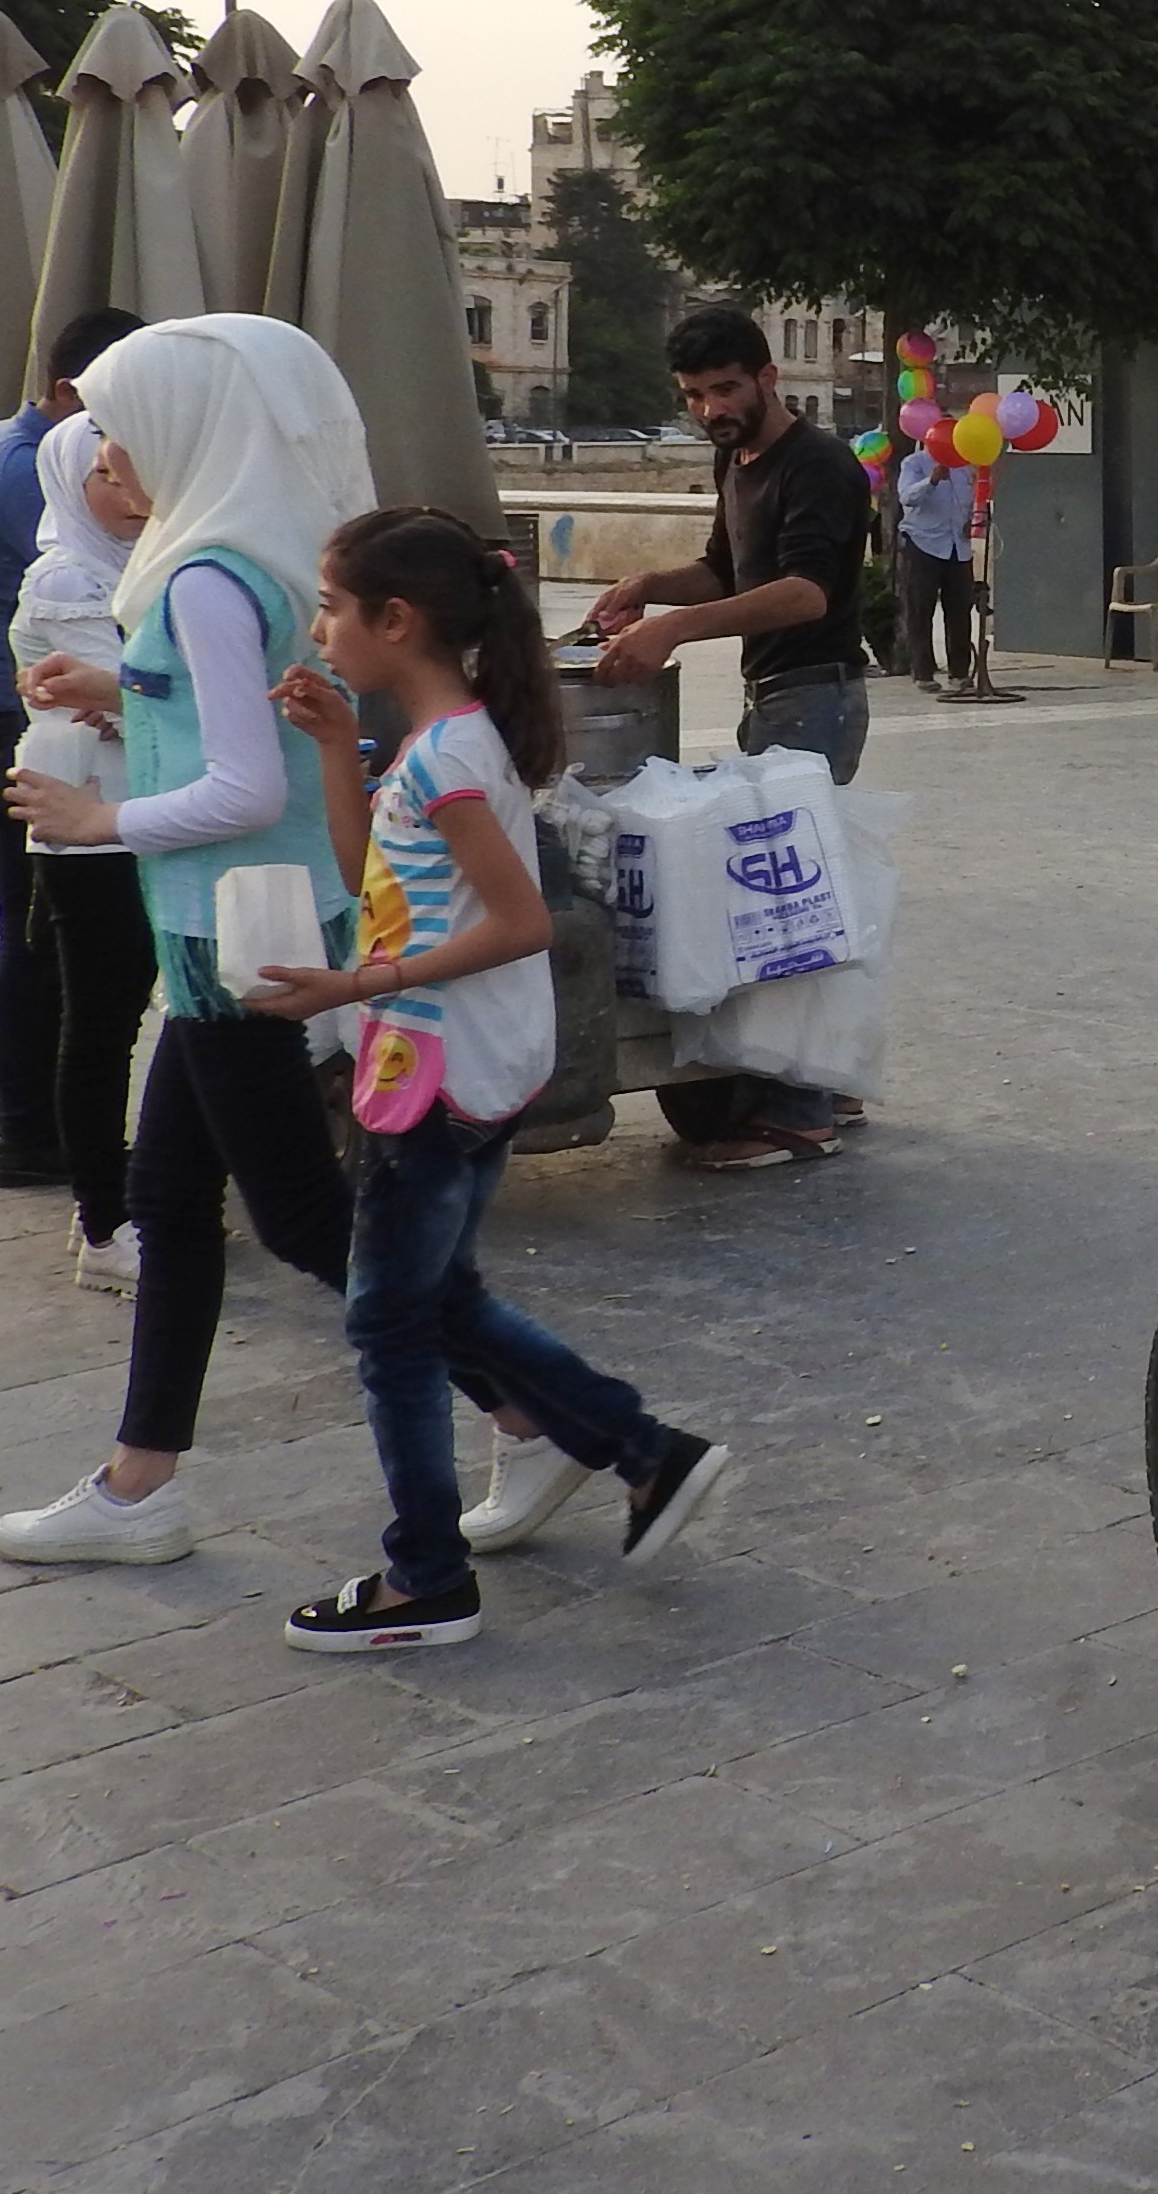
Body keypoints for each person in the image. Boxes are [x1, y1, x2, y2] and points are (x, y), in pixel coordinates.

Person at [248, 506, 735, 1646]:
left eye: (331, 604)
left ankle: (426, 1574)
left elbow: (520, 922)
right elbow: (374, 868)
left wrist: (353, 989)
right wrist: (333, 750)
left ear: (397, 619)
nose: (319, 625)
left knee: (390, 1327)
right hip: (451, 1064)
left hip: (438, 1074)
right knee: (438, 1301)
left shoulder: (455, 759)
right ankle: (647, 1456)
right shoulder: (438, 746)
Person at [0, 316, 378, 1568]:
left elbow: (242, 785)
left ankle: (567, 1420)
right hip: (243, 920)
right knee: (171, 1196)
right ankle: (139, 1482)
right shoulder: (244, 554)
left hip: (225, 929)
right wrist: (113, 694)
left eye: (122, 425)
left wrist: (98, 814)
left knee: (310, 1222)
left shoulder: (202, 574)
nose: (109, 452)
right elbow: (229, 722)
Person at [580, 305, 876, 1169]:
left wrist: (674, 633)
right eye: (696, 396)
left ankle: (800, 1110)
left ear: (767, 377)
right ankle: (831, 1077)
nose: (712, 407)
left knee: (785, 903)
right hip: (771, 695)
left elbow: (805, 592)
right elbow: (725, 566)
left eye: (726, 389)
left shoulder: (818, 465)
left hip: (814, 696)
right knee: (788, 893)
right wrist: (647, 585)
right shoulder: (734, 456)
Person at [0, 306, 147, 1175]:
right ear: (69, 395)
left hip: (12, 707)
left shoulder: (12, 450)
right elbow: (77, 607)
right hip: (8, 714)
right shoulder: (41, 468)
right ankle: (27, 1128)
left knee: (42, 931)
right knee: (45, 936)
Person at [2, 411, 154, 1292]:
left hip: (133, 807)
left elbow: (139, 698)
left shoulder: (135, 568)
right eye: (106, 476)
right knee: (101, 1020)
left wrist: (141, 697)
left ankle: (115, 1202)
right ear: (72, 479)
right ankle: (103, 1220)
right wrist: (149, 696)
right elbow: (121, 698)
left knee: (121, 1011)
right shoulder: (66, 577)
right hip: (84, 818)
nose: (127, 494)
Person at [895, 440, 980, 694]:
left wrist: (970, 522)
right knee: (921, 609)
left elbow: (968, 502)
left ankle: (960, 672)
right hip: (923, 544)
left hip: (957, 546)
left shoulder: (964, 466)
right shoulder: (915, 463)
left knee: (960, 611)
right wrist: (931, 481)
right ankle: (923, 672)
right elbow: (906, 498)